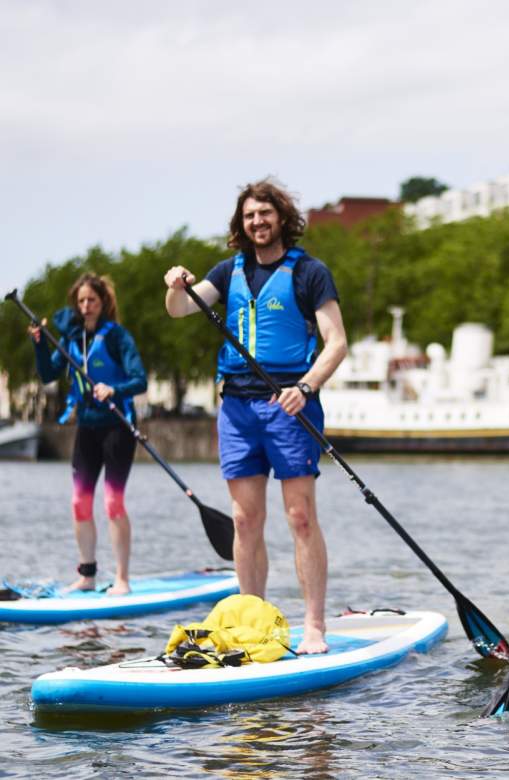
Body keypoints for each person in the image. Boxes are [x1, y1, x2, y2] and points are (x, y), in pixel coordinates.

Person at [164, 179, 348, 653]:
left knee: (300, 516)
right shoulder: (228, 272)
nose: (257, 223)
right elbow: (181, 308)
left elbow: (337, 343)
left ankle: (313, 627)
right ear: (240, 224)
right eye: (249, 216)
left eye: (265, 214)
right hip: (237, 409)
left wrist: (306, 387)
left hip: (288, 405)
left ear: (282, 219)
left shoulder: (309, 272)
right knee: (245, 519)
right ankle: (251, 622)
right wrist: (175, 285)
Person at [30, 273, 147, 595]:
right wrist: (40, 344)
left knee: (112, 502)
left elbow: (140, 380)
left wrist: (114, 387)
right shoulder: (70, 338)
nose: (85, 307)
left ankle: (122, 579)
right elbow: (47, 374)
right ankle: (87, 574)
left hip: (118, 427)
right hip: (87, 427)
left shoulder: (116, 337)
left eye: (91, 300)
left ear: (103, 302)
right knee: (79, 502)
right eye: (81, 301)